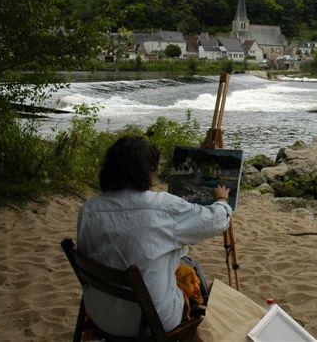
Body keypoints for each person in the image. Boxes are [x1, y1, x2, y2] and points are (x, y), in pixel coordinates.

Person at [77, 135, 232, 337]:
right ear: (148, 170)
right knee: (189, 262)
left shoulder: (89, 209)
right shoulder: (162, 206)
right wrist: (221, 200)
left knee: (173, 257)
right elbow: (215, 221)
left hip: (99, 313)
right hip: (149, 321)